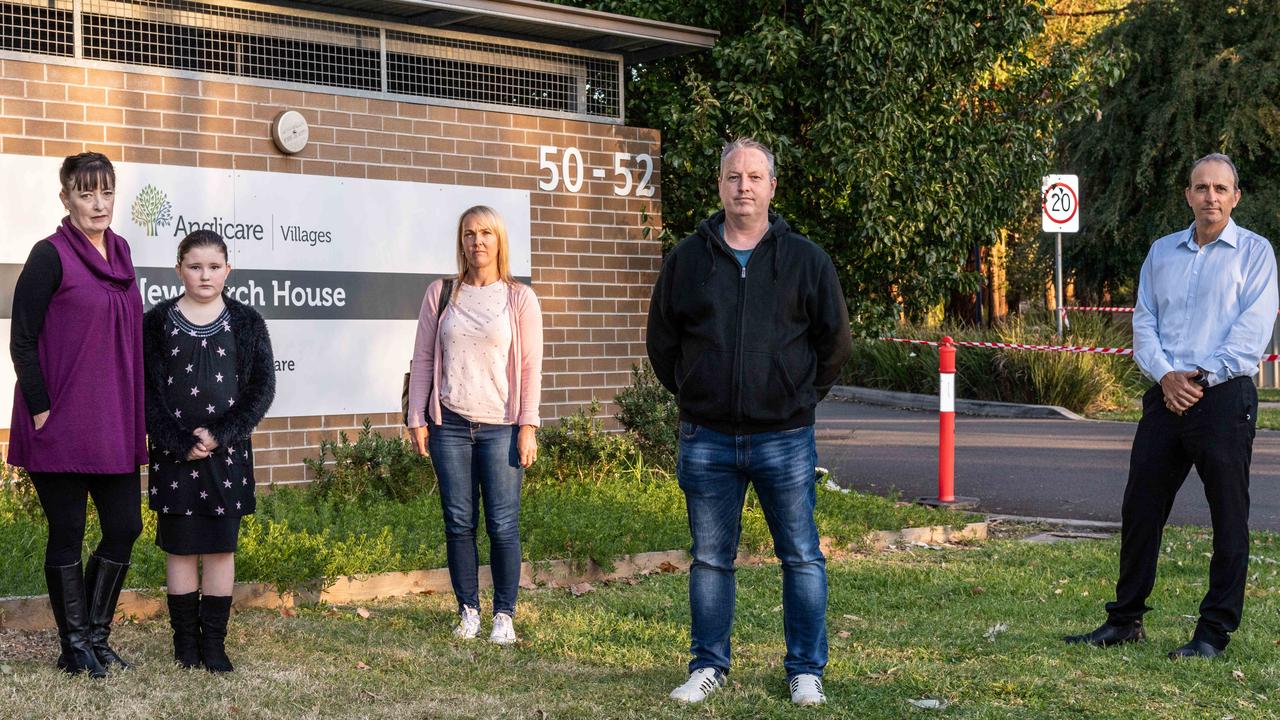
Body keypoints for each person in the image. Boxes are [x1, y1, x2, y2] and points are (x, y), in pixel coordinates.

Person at [646, 137, 852, 705]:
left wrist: (797, 397)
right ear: (720, 185)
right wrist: (696, 391)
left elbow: (833, 342)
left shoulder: (806, 260)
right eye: (734, 176)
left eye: (755, 177)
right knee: (711, 558)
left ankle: (805, 670)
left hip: (784, 437)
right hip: (707, 437)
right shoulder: (689, 259)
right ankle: (708, 665)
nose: (744, 186)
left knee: (802, 555)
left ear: (771, 187)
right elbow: (662, 341)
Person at [1064, 153, 1278, 659]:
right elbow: (1144, 322)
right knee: (1140, 508)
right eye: (1201, 188)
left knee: (1229, 517)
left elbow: (1252, 332)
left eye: (1221, 189)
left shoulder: (1255, 253)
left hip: (1224, 398)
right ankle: (1125, 620)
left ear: (1235, 196)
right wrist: (1166, 376)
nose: (1211, 197)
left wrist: (1199, 377)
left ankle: (1212, 633)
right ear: (1188, 195)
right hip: (1165, 396)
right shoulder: (1162, 252)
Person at [8, 153, 146, 678]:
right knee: (66, 532)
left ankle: (94, 635)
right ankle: (74, 646)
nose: (98, 203)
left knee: (125, 526)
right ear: (65, 198)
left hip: (112, 420)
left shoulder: (124, 254)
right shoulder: (49, 256)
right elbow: (22, 340)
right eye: (85, 193)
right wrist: (41, 409)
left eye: (106, 192)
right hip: (59, 422)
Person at [407, 205, 543, 645]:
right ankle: (468, 610)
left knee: (503, 524)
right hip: (449, 425)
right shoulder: (441, 294)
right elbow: (424, 358)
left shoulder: (519, 298)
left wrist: (528, 425)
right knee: (458, 522)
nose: (477, 242)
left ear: (499, 240)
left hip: (502, 426)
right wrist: (417, 417)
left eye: (486, 233)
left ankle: (504, 613)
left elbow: (530, 367)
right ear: (461, 242)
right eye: (469, 234)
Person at [143, 230, 275, 672]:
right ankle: (185, 644)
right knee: (180, 549)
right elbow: (147, 392)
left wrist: (222, 433)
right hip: (174, 456)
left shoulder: (247, 323)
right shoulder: (156, 321)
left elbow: (261, 389)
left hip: (227, 455)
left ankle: (214, 643)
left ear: (228, 270)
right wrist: (178, 442)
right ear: (178, 268)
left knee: (220, 550)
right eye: (195, 266)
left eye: (214, 267)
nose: (205, 275)